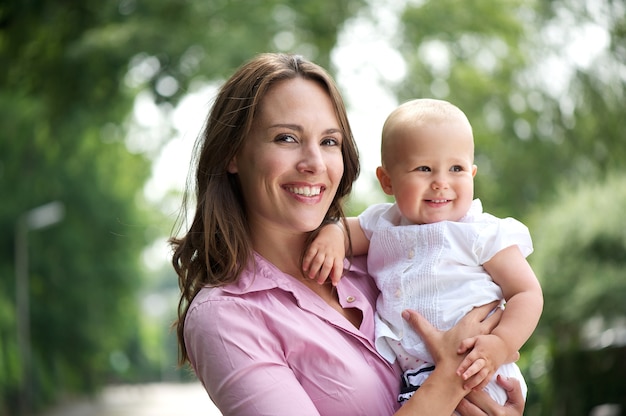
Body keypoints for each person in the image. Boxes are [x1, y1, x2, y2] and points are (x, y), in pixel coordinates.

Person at [170, 53, 526, 415]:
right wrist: (452, 379)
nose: (314, 163)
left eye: (329, 142)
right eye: (286, 138)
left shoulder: (382, 256)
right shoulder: (227, 316)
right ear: (233, 154)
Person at [305, 98, 543, 407]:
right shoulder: (383, 223)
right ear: (387, 180)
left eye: (456, 168)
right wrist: (332, 234)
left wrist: (500, 343)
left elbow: (527, 292)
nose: (441, 182)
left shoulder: (479, 231)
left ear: (471, 174)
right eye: (424, 168)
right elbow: (346, 231)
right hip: (418, 382)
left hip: (478, 368)